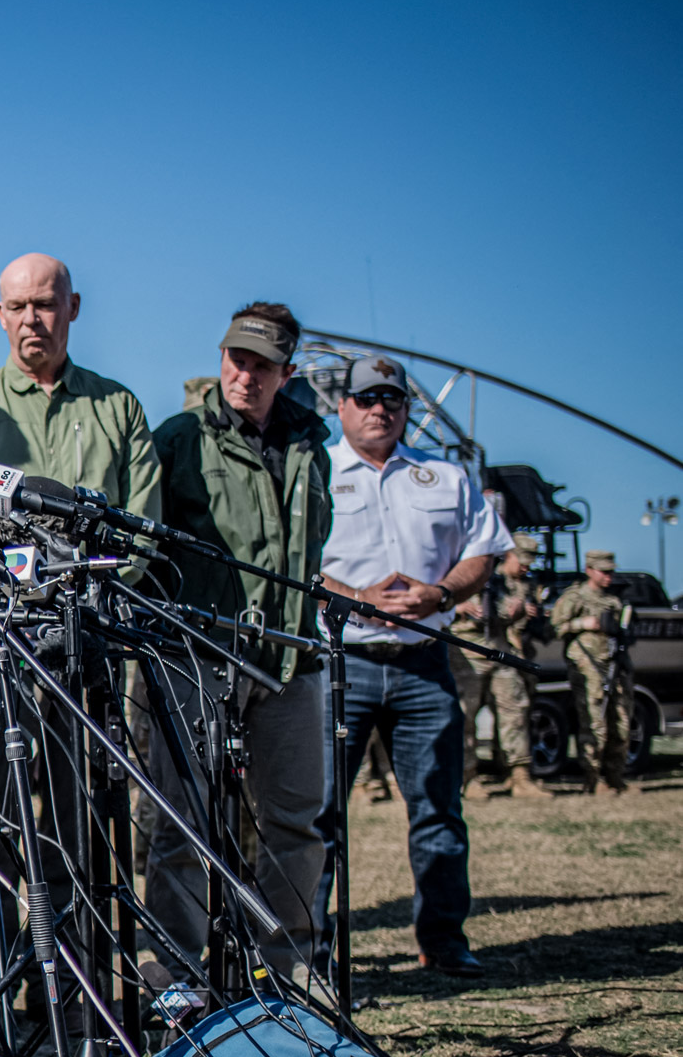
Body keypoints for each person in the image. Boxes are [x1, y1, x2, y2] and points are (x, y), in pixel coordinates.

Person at [144, 305, 337, 988]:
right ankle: (173, 977)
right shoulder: (177, 439)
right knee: (181, 824)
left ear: (286, 372)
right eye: (234, 357)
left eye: (260, 364)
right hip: (195, 658)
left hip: (290, 659)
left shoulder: (311, 445)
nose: (243, 375)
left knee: (296, 822)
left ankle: (289, 969)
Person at [316, 356, 511, 978]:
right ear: (340, 407)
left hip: (425, 665)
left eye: (392, 400)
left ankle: (444, 940)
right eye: (367, 398)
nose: (381, 410)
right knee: (318, 813)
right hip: (340, 665)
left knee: (437, 808)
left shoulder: (445, 477)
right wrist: (358, 598)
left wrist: (441, 594)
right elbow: (293, 560)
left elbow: (485, 548)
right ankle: (311, 949)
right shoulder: (315, 473)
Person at [0, 254, 160, 524]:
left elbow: (143, 518)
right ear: (1, 315)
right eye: (17, 307)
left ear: (73, 306)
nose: (30, 319)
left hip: (102, 566)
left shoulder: (119, 405)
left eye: (45, 304)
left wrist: (116, 568)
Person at [454, 538, 552, 798]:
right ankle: (467, 778)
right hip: (466, 652)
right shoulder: (454, 572)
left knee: (515, 711)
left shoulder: (499, 583)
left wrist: (516, 611)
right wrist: (457, 607)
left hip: (499, 650)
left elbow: (503, 617)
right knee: (464, 717)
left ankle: (519, 775)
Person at [551, 550, 633, 796]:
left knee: (621, 722)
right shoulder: (575, 597)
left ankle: (616, 776)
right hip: (588, 668)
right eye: (604, 571)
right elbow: (554, 628)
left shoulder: (613, 601)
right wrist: (582, 624)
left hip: (614, 666)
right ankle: (593, 778)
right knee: (593, 723)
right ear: (589, 570)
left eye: (611, 571)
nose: (609, 576)